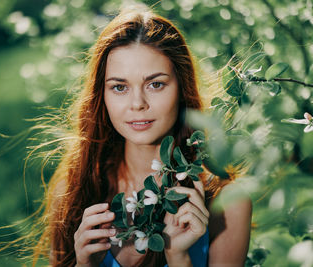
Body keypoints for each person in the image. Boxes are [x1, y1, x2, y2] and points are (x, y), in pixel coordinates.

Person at [32, 5, 252, 267]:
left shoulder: (228, 203)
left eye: (155, 84)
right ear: (102, 95)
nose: (137, 103)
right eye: (119, 87)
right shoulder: (74, 189)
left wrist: (178, 257)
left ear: (182, 88)